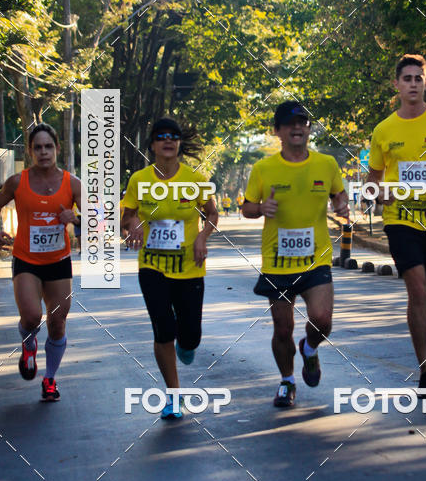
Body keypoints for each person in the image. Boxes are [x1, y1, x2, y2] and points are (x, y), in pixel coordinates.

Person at [242, 101, 349, 408]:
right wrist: (261, 208)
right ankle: (287, 382)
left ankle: (310, 349)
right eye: (290, 124)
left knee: (322, 320)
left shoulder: (326, 164)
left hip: (316, 258)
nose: (297, 127)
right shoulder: (264, 169)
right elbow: (247, 208)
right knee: (283, 328)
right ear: (277, 131)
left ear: (309, 128)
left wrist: (341, 206)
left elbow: (338, 195)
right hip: (277, 262)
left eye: (302, 122)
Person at [121, 117, 218, 420]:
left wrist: (203, 236)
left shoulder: (195, 179)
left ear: (179, 144)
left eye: (173, 136)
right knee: (164, 329)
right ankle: (173, 396)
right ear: (152, 144)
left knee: (190, 336)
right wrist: (134, 226)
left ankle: (186, 345)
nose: (168, 140)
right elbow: (128, 214)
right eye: (162, 136)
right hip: (152, 266)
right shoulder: (140, 179)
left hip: (190, 267)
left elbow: (212, 213)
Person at [365, 54, 426, 391]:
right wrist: (382, 194)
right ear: (397, 85)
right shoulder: (384, 130)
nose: (413, 84)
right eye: (407, 78)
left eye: (418, 78)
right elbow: (372, 184)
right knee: (417, 291)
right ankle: (425, 371)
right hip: (402, 220)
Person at [0, 123, 81, 401]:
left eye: (48, 147)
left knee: (58, 322)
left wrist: (75, 219)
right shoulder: (17, 182)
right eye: (37, 147)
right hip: (26, 259)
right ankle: (29, 343)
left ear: (57, 149)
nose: (43, 152)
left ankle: (49, 379)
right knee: (31, 317)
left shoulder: (72, 184)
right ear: (30, 151)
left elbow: (97, 220)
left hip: (58, 261)